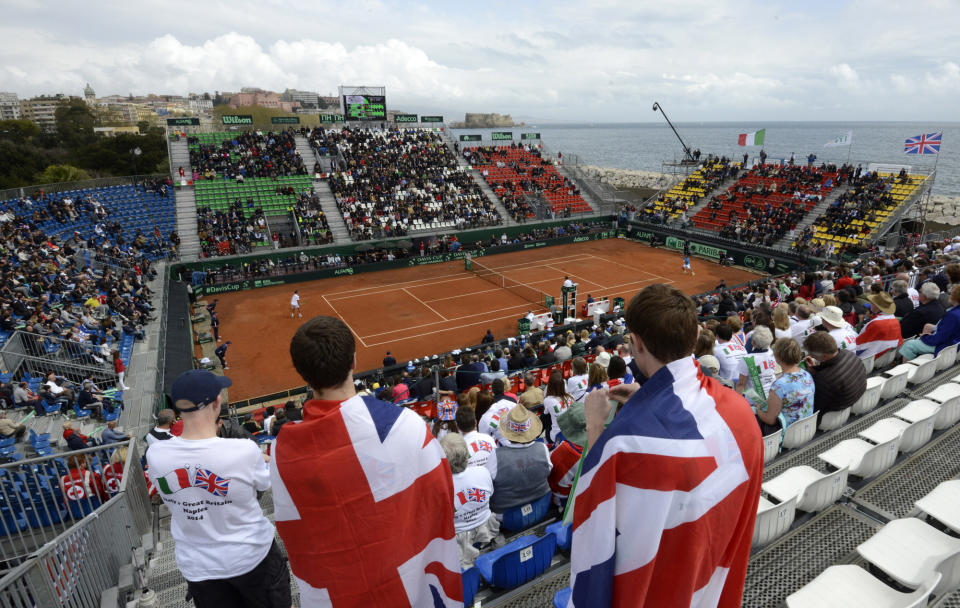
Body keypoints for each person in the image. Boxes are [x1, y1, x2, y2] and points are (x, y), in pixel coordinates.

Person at [570, 284, 762, 606]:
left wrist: (596, 426)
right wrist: (647, 402)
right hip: (711, 583)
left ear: (638, 342)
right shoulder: (739, 410)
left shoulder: (627, 442)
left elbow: (594, 517)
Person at [271, 316, 461, 606]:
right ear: (354, 361)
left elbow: (300, 536)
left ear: (304, 375)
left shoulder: (282, 453)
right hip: (409, 583)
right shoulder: (405, 423)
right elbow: (440, 497)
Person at [147, 370, 291, 608]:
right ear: (216, 402)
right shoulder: (243, 450)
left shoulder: (156, 454)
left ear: (176, 410)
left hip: (199, 569)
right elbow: (265, 483)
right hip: (253, 558)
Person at [440, 433, 499, 569]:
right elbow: (491, 495)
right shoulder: (483, 472)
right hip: (485, 529)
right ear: (467, 454)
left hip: (458, 540)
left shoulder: (440, 487)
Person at [486, 404, 551, 514]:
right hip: (541, 506)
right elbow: (548, 471)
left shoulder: (495, 456)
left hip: (505, 514)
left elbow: (488, 485)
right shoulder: (543, 448)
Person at [757, 338, 814, 435]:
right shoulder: (806, 374)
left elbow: (770, 420)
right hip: (807, 429)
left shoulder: (779, 385)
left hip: (789, 435)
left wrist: (758, 410)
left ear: (778, 357)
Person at [803, 331, 867, 414]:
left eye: (812, 354)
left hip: (835, 412)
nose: (811, 356)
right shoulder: (849, 354)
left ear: (824, 356)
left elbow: (814, 407)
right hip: (857, 398)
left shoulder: (823, 380)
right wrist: (816, 369)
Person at [900, 284, 960, 360]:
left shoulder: (952, 315)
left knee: (909, 345)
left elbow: (941, 337)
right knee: (923, 333)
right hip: (953, 341)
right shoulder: (950, 310)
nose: (949, 295)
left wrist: (925, 337)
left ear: (955, 297)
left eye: (951, 294)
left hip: (945, 346)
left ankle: (906, 369)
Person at [547, 400, 586, 508]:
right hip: (584, 493)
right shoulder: (599, 441)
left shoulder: (565, 450)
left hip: (563, 498)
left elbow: (547, 471)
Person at [735, 326, 777, 410]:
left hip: (754, 402)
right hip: (772, 397)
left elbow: (741, 385)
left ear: (753, 342)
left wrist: (736, 405)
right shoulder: (772, 353)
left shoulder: (747, 359)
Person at [855, 292, 903, 358]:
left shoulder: (876, 323)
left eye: (872, 302)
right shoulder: (894, 319)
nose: (870, 304)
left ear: (877, 306)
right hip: (888, 356)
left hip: (874, 358)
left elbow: (858, 346)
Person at [542, 371, 574, 443]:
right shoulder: (571, 397)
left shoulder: (548, 400)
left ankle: (535, 435)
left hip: (556, 436)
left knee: (546, 416)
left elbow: (545, 413)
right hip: (571, 432)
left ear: (549, 385)